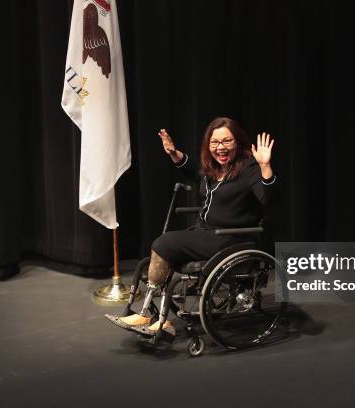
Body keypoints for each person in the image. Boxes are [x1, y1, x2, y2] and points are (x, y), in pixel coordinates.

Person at [109, 116, 277, 335]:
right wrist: (173, 153)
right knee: (166, 248)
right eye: (215, 142)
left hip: (231, 239)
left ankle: (148, 316)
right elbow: (194, 170)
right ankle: (155, 317)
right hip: (207, 234)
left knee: (164, 243)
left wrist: (266, 167)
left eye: (227, 141)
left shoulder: (249, 168)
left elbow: (269, 199)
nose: (221, 147)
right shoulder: (213, 167)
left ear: (238, 142)